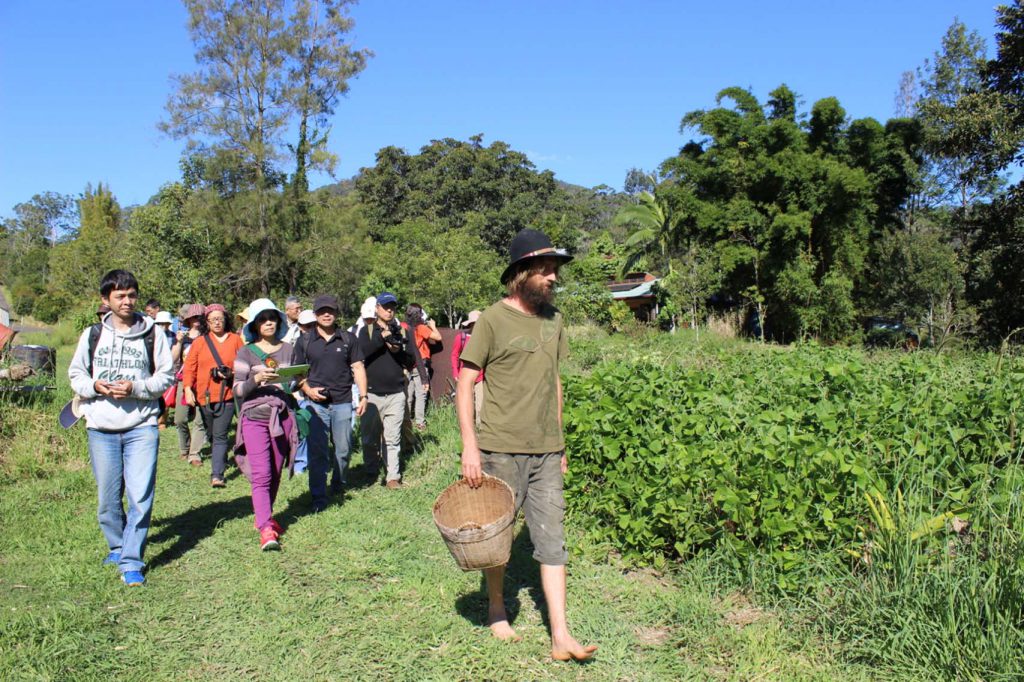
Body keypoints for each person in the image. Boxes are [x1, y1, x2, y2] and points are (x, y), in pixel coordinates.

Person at [456, 228, 597, 662]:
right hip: (500, 447)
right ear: (522, 273)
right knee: (497, 536)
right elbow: (464, 383)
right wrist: (470, 446)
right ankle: (498, 607)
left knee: (552, 538)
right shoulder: (493, 320)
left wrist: (560, 442)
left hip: (547, 452)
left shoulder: (554, 321)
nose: (554, 277)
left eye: (555, 270)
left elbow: (553, 381)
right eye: (546, 269)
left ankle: (561, 634)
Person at [68, 270, 174, 587]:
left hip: (141, 426)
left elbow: (166, 378)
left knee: (140, 496)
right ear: (106, 300)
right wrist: (96, 386)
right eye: (119, 296)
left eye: (131, 295)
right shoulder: (91, 335)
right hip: (101, 426)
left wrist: (136, 388)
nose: (126, 301)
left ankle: (131, 561)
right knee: (107, 499)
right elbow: (75, 376)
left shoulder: (152, 334)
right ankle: (117, 546)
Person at [232, 299, 302, 551]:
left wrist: (295, 380)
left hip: (281, 416)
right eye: (262, 319)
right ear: (254, 325)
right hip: (254, 417)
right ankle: (265, 528)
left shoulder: (288, 349)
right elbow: (237, 389)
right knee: (261, 474)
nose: (268, 322)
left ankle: (265, 516)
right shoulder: (246, 352)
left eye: (272, 317)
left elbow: (293, 383)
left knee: (275, 470)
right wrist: (256, 378)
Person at [293, 294, 368, 511]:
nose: (327, 314)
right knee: (317, 451)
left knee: (343, 450)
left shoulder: (348, 339)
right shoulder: (305, 340)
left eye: (331, 311)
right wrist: (308, 390)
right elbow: (297, 373)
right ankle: (318, 496)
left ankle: (338, 484)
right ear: (315, 314)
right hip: (315, 405)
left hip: (343, 401)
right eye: (322, 311)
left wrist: (363, 396)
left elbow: (358, 367)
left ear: (336, 314)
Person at [183, 304, 244, 488]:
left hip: (227, 395)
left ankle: (217, 474)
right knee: (211, 434)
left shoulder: (235, 340)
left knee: (220, 435)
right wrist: (187, 388)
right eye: (213, 319)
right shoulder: (200, 342)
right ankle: (221, 458)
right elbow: (190, 367)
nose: (217, 322)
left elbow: (244, 364)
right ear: (207, 322)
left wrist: (231, 373)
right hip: (205, 397)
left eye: (220, 318)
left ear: (226, 319)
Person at [358, 292, 412, 489]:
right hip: (371, 394)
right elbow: (362, 353)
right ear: (377, 309)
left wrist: (398, 350)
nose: (389, 310)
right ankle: (371, 472)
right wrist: (383, 339)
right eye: (385, 306)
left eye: (392, 307)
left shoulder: (402, 331)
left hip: (396, 392)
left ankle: (392, 477)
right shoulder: (367, 331)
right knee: (369, 438)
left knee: (392, 438)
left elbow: (411, 360)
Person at [172, 304, 208, 466]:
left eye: (200, 317)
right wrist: (179, 342)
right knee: (180, 418)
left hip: (204, 381)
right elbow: (173, 359)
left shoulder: (209, 336)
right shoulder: (183, 337)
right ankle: (184, 448)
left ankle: (195, 454)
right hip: (184, 379)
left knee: (200, 419)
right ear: (189, 319)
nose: (197, 321)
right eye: (194, 318)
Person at [402, 303, 442, 431]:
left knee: (408, 394)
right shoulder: (421, 327)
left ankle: (406, 421)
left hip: (407, 364)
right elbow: (438, 337)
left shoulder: (405, 327)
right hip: (420, 364)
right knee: (421, 394)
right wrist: (433, 326)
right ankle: (420, 422)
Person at [451, 310, 484, 422]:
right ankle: (468, 425)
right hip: (465, 376)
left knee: (481, 403)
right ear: (471, 324)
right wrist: (455, 372)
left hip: (481, 376)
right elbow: (454, 355)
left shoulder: (485, 338)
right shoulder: (462, 337)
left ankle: (480, 428)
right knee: (467, 402)